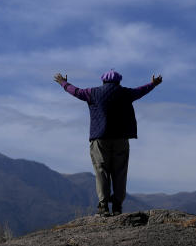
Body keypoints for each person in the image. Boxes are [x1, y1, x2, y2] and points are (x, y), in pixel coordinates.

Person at [54, 69, 162, 216]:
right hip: (121, 139)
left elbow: (76, 91)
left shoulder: (92, 93)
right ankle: (117, 206)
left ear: (103, 81)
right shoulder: (126, 93)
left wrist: (63, 82)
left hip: (100, 138)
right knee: (120, 172)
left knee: (101, 171)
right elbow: (141, 90)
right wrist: (153, 84)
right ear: (119, 81)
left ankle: (103, 206)